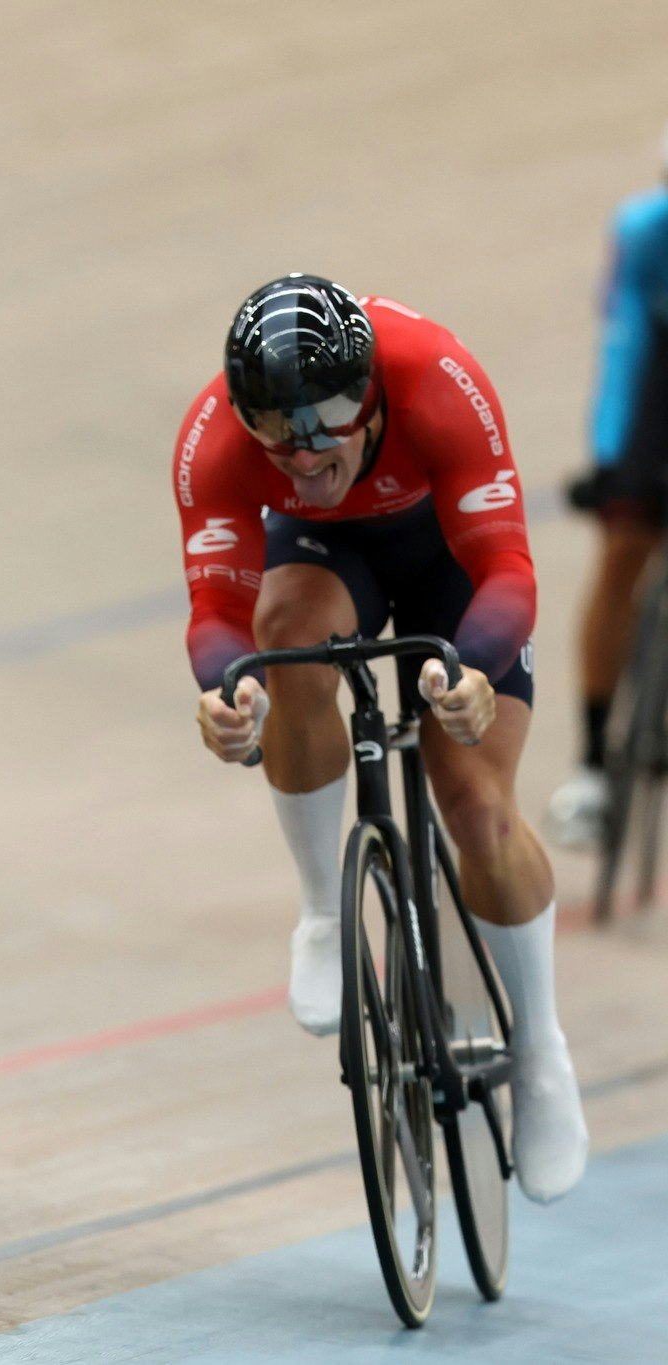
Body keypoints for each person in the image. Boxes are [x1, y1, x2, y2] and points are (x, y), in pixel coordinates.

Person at [181, 273, 587, 1202]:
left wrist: (476, 665)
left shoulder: (438, 379)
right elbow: (217, 611)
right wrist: (222, 692)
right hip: (326, 558)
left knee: (478, 808)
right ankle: (326, 910)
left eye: (325, 419)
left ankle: (541, 1047)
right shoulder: (217, 440)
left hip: (450, 559)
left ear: (370, 398)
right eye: (276, 428)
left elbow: (508, 568)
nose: (301, 451)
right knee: (283, 648)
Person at [548, 128, 668, 846]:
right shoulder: (643, 229)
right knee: (623, 547)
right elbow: (623, 343)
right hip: (658, 376)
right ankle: (592, 762)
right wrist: (611, 459)